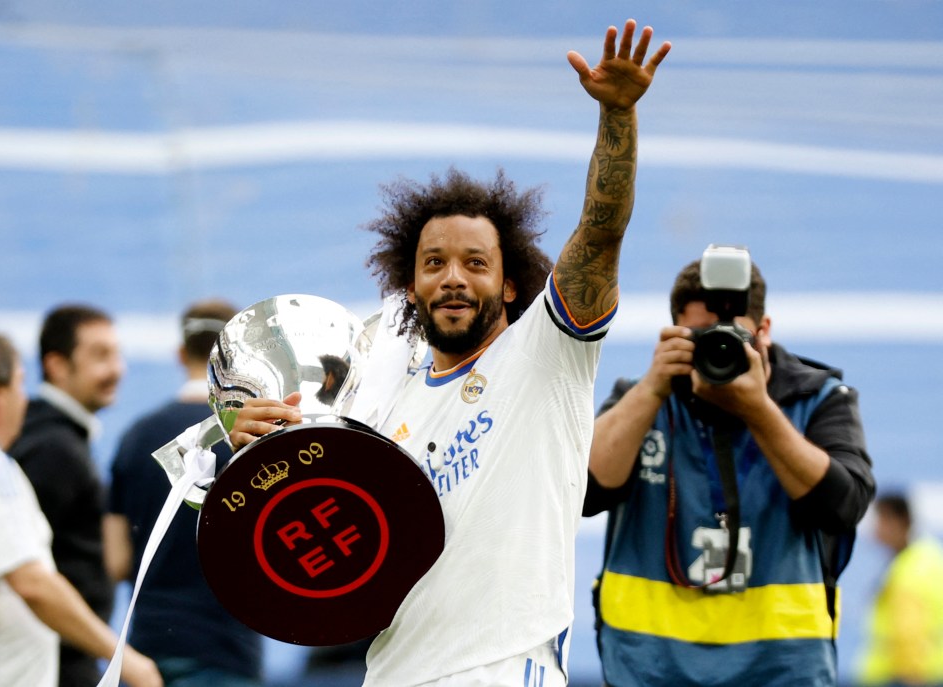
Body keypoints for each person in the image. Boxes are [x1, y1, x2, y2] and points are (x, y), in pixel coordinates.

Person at [228, 18, 670, 687]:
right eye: (434, 262)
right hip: (392, 671)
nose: (454, 276)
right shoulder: (374, 392)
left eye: (474, 262)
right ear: (412, 283)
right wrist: (256, 450)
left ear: (510, 280)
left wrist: (617, 116)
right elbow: (313, 523)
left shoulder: (545, 356)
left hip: (501, 666)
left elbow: (602, 232)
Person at [585, 254, 876, 686]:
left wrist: (759, 410)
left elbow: (843, 507)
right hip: (648, 670)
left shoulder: (819, 400)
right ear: (675, 335)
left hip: (781, 672)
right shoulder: (642, 401)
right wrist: (652, 387)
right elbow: (584, 492)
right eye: (701, 337)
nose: (718, 349)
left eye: (734, 336)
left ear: (765, 332)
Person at [0, 328, 163, 687]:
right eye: (20, 385)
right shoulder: (0, 462)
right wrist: (122, 657)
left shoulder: (5, 461)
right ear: (0, 396)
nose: (25, 399)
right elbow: (32, 581)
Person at [103, 299, 266, 687]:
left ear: (180, 353)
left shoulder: (136, 437)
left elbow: (117, 560)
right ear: (241, 359)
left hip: (148, 650)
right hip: (225, 648)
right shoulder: (252, 438)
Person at [8, 303, 125, 687]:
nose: (117, 370)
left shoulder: (50, 437)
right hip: (58, 661)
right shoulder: (54, 449)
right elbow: (27, 571)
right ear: (57, 365)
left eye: (117, 354)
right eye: (100, 355)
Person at [857, 492, 943, 686]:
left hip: (904, 677)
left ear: (899, 521)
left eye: (880, 520)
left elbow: (910, 631)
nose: (875, 530)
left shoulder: (912, 569)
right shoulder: (925, 557)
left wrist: (912, 678)